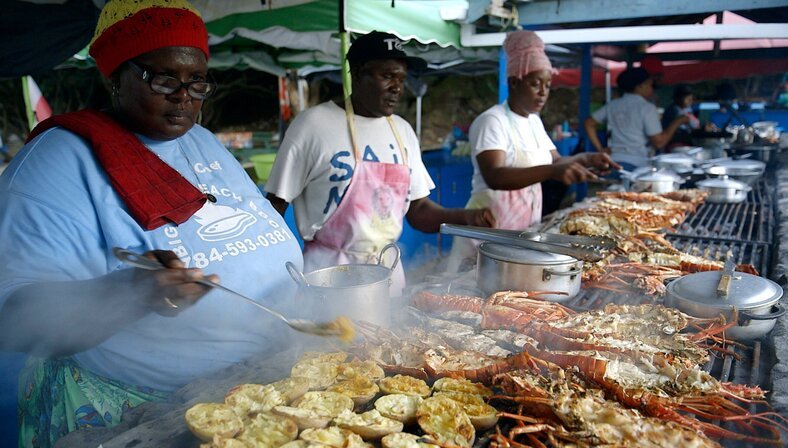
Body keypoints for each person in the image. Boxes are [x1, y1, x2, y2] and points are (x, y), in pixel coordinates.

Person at [0, 1, 303, 446]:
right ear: (114, 77)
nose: (184, 96)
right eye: (163, 79)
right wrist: (127, 293)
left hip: (249, 388)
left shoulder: (202, 141)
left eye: (197, 82)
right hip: (141, 417)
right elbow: (14, 318)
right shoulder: (57, 160)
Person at [265, 31, 495, 293]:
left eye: (401, 78)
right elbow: (274, 209)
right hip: (328, 276)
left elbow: (418, 212)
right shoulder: (313, 125)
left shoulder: (403, 131)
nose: (397, 87)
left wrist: (467, 217)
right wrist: (273, 271)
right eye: (387, 76)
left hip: (387, 273)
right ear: (357, 72)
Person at [446, 30, 618, 269]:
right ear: (514, 82)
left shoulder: (533, 121)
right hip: (489, 231)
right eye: (535, 84)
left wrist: (587, 158)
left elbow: (556, 161)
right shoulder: (492, 121)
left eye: (548, 85)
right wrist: (551, 172)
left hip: (523, 233)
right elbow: (494, 175)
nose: (543, 92)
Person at [584, 67, 690, 169]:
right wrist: (677, 122)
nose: (651, 88)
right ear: (640, 86)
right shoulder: (646, 107)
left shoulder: (613, 105)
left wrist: (601, 150)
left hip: (614, 161)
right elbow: (659, 142)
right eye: (649, 84)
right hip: (636, 164)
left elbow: (589, 123)